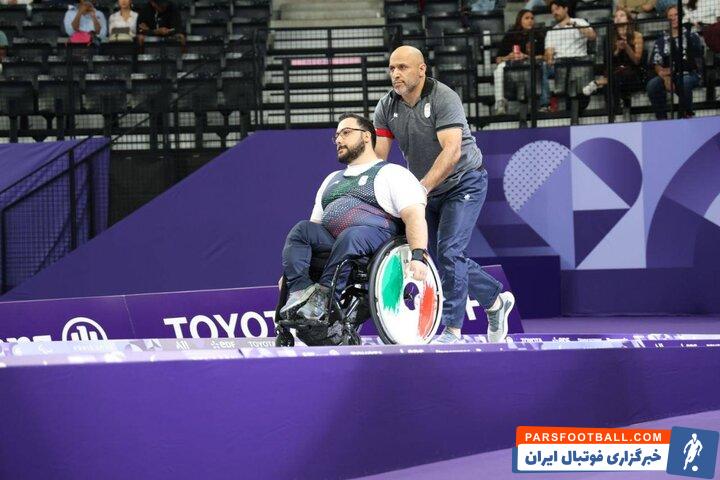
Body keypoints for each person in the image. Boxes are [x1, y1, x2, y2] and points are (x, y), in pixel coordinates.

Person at [373, 45, 516, 344]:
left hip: (464, 181)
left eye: (402, 67)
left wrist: (420, 189)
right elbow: (378, 160)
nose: (396, 74)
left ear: (421, 69)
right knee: (443, 257)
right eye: (392, 68)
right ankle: (495, 300)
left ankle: (452, 330)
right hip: (427, 189)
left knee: (450, 252)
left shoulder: (443, 97)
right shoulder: (386, 106)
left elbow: (451, 153)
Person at [280, 113, 429, 324]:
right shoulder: (331, 179)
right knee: (302, 230)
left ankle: (324, 297)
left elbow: (414, 216)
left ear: (367, 136)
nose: (339, 140)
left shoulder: (392, 173)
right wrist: (293, 271)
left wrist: (418, 256)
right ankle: (300, 293)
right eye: (337, 136)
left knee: (352, 235)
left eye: (346, 133)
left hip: (376, 239)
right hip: (336, 243)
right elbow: (315, 227)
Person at [646, 5, 704, 119]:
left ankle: (686, 115)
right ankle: (662, 119)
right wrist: (666, 78)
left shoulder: (691, 35)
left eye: (676, 15)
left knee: (684, 82)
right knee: (652, 85)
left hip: (689, 74)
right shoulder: (661, 40)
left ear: (681, 16)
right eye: (670, 16)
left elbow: (698, 58)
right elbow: (657, 63)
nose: (673, 18)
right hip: (669, 74)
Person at [582, 8, 644, 111]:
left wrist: (627, 47)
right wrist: (617, 51)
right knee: (611, 84)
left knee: (617, 78)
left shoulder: (637, 36)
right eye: (616, 16)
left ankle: (599, 82)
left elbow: (636, 61)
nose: (618, 18)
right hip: (614, 71)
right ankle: (613, 113)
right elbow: (608, 61)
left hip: (632, 72)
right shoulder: (609, 38)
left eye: (622, 15)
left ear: (628, 19)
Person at [541, 0, 596, 111]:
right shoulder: (551, 32)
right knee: (544, 66)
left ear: (565, 9)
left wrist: (575, 25)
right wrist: (549, 56)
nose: (554, 12)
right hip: (560, 66)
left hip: (579, 63)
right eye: (552, 11)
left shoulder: (579, 22)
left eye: (557, 9)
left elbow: (592, 36)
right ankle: (546, 105)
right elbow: (548, 51)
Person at [493, 9, 545, 114]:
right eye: (527, 18)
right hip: (512, 69)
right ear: (519, 20)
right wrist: (509, 56)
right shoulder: (511, 35)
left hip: (530, 68)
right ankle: (500, 104)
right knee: (498, 70)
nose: (530, 21)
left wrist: (526, 56)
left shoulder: (538, 35)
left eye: (532, 18)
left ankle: (535, 104)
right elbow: (498, 59)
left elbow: (544, 57)